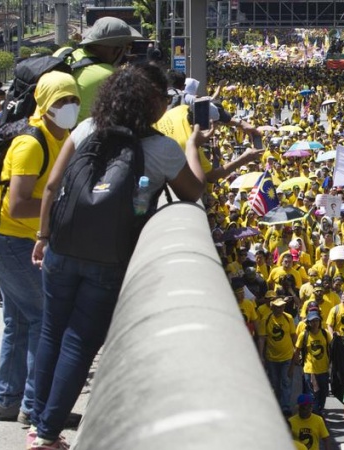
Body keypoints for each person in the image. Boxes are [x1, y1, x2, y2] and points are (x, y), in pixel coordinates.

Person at [29, 64, 207, 449]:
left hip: (62, 247)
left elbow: (53, 186)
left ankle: (37, 420)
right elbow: (193, 191)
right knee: (78, 344)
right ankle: (46, 436)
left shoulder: (86, 128)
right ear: (150, 104)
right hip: (110, 260)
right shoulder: (162, 148)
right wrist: (193, 146)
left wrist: (43, 236)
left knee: (51, 332)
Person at [0, 72, 80, 426]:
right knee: (44, 317)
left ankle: (7, 401)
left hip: (18, 238)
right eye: (61, 101)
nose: (69, 107)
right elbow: (18, 205)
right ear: (44, 104)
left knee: (18, 321)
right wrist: (64, 209)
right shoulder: (31, 143)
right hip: (7, 238)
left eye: (73, 100)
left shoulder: (64, 136)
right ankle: (36, 406)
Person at [60, 16, 143, 122]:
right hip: (85, 131)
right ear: (116, 49)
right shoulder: (110, 76)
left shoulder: (64, 54)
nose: (125, 54)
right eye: (126, 48)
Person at [257, 296, 297, 417]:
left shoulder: (288, 318)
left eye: (282, 307)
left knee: (285, 381)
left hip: (287, 356)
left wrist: (296, 352)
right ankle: (277, 405)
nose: (280, 309)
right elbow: (262, 339)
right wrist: (261, 356)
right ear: (272, 307)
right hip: (272, 358)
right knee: (275, 383)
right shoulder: (266, 319)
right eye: (277, 307)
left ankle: (285, 407)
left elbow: (293, 335)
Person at [293, 310, 330, 415]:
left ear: (319, 321)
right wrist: (295, 364)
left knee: (323, 393)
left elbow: (332, 347)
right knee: (313, 393)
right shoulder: (304, 335)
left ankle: (319, 410)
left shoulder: (325, 333)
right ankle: (315, 413)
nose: (314, 323)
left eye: (316, 321)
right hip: (310, 370)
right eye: (312, 321)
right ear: (308, 322)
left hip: (324, 369)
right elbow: (297, 350)